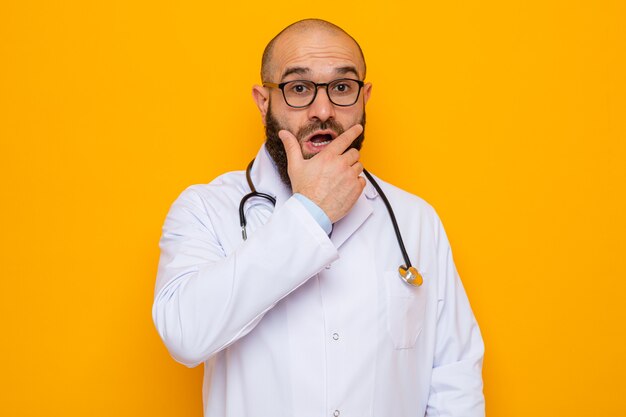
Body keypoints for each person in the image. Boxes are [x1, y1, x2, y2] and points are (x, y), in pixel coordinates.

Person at [153, 18, 485, 417]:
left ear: (365, 97)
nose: (323, 111)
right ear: (263, 101)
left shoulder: (415, 220)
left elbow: (454, 379)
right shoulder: (205, 209)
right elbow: (185, 335)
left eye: (342, 88)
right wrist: (311, 214)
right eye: (299, 89)